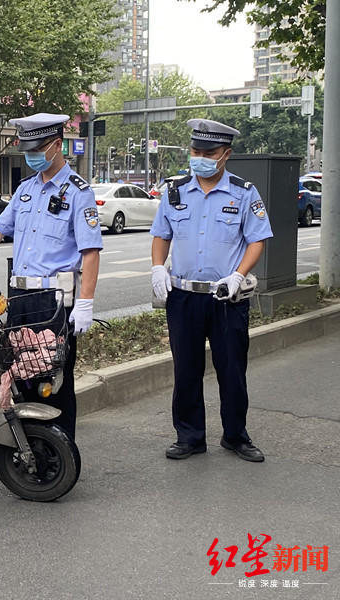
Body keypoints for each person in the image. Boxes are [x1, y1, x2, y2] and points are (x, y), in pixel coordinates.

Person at [0, 113, 103, 442]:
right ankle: (30, 447)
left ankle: (59, 449)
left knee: (53, 379)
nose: (31, 155)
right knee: (22, 377)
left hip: (54, 302)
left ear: (57, 145)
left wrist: (85, 302)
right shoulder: (25, 189)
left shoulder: (78, 193)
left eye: (38, 148)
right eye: (26, 148)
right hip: (20, 298)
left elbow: (90, 253)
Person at [150, 118, 273, 463]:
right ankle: (189, 437)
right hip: (184, 296)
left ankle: (235, 436)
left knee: (232, 369)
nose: (200, 157)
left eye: (209, 152)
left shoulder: (243, 192)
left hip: (226, 296)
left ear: (226, 154)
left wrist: (238, 275)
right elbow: (161, 235)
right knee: (185, 370)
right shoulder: (175, 191)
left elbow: (257, 240)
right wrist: (158, 266)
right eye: (195, 151)